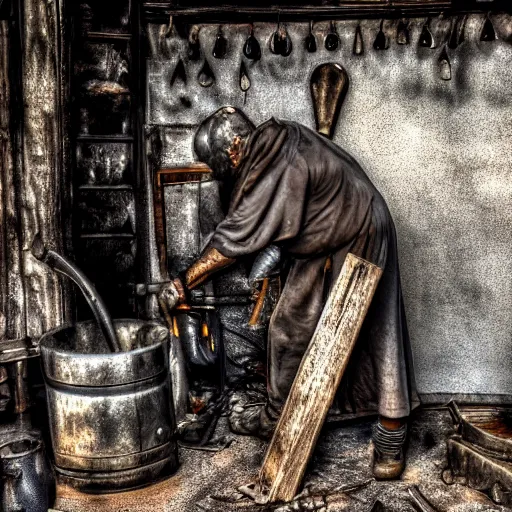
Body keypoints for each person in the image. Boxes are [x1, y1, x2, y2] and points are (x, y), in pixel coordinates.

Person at [167, 106, 418, 479]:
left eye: (220, 166)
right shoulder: (274, 142)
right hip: (326, 239)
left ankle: (391, 441)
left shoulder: (272, 158)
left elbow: (232, 241)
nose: (222, 176)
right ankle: (280, 414)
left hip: (361, 230)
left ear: (234, 148)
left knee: (381, 332)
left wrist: (183, 283)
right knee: (289, 327)